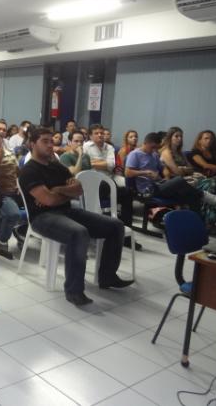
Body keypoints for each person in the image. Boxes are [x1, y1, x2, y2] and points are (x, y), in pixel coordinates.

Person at [19, 127, 133, 306]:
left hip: (66, 211)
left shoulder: (56, 166)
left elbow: (78, 189)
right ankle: (74, 291)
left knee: (115, 225)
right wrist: (65, 193)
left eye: (52, 141)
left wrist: (58, 190)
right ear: (32, 144)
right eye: (45, 141)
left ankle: (107, 277)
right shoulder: (28, 171)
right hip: (42, 218)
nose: (50, 145)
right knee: (78, 233)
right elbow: (47, 201)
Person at [125, 132, 216, 215]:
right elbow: (128, 173)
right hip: (148, 190)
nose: (154, 150)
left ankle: (197, 222)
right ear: (146, 143)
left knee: (190, 195)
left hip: (158, 185)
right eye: (152, 147)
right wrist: (146, 172)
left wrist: (166, 176)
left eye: (156, 148)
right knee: (179, 180)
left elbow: (163, 168)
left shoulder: (154, 154)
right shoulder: (135, 154)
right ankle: (202, 194)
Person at [83, 124, 135, 245]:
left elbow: (111, 165)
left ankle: (125, 235)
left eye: (101, 132)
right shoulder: (86, 146)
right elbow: (86, 164)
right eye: (96, 133)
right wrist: (103, 163)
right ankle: (104, 225)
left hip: (109, 180)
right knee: (106, 185)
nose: (100, 135)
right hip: (93, 182)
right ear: (90, 135)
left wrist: (95, 162)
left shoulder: (109, 147)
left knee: (128, 192)